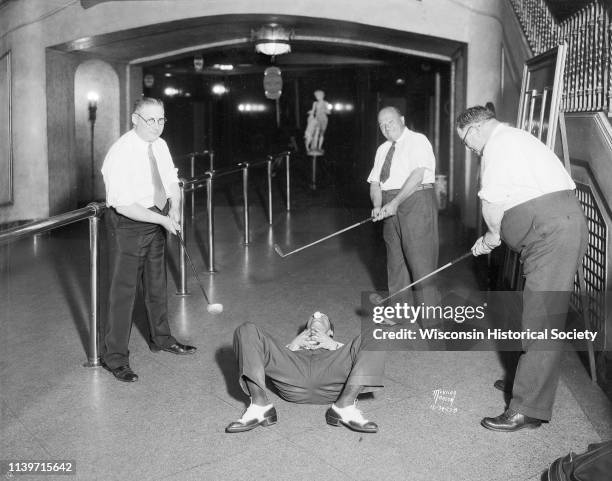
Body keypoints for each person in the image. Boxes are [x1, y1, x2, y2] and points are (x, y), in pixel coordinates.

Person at [455, 105, 587, 432]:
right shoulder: (515, 138)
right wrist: (498, 235)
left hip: (550, 231)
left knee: (541, 318)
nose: (470, 150)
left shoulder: (497, 145)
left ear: (474, 130)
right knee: (534, 311)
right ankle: (526, 384)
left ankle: (527, 409)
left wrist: (490, 236)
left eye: (466, 143)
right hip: (550, 228)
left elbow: (492, 201)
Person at [101, 97, 196, 383]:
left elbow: (170, 180)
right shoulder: (120, 152)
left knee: (157, 282)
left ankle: (162, 338)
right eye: (150, 120)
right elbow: (123, 204)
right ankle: (114, 358)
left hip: (156, 216)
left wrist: (175, 207)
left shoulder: (160, 145)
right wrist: (163, 220)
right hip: (129, 223)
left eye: (162, 119)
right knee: (124, 291)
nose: (157, 126)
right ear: (135, 118)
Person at [225, 312, 385, 434]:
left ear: (330, 332)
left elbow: (363, 361)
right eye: (312, 317)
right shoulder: (293, 345)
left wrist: (333, 345)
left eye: (323, 318)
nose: (317, 314)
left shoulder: (338, 346)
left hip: (331, 376)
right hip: (293, 372)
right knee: (246, 329)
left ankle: (345, 406)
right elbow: (260, 358)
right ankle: (259, 406)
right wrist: (293, 345)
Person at [368, 107, 439, 317]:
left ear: (402, 119)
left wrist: (396, 202)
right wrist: (377, 206)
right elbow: (375, 183)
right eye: (382, 124)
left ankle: (431, 322)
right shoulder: (382, 149)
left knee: (421, 263)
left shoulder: (418, 140)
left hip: (415, 200)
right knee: (395, 263)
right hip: (390, 204)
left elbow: (418, 175)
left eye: (390, 121)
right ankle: (398, 315)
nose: (387, 127)